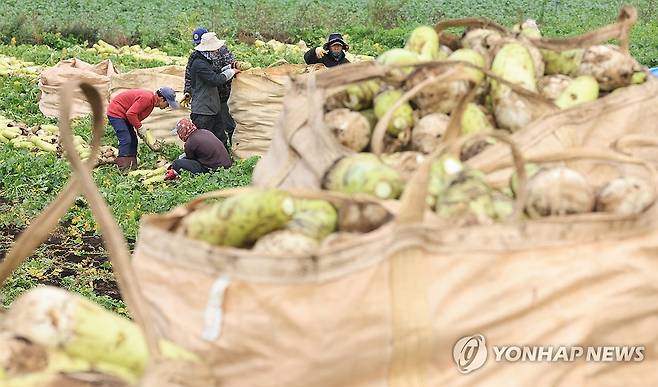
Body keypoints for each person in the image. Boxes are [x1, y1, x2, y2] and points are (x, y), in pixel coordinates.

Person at [182, 29, 238, 150]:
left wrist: (230, 67)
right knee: (203, 139)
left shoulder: (208, 59)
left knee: (220, 137)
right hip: (203, 109)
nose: (217, 50)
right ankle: (204, 163)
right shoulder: (199, 63)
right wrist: (231, 72)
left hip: (215, 104)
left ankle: (224, 162)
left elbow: (216, 72)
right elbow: (214, 79)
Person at [106, 87, 178, 170]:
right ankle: (123, 167)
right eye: (168, 103)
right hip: (117, 113)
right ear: (161, 99)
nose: (167, 106)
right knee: (126, 139)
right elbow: (131, 114)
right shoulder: (147, 98)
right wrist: (140, 127)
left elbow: (134, 116)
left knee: (133, 140)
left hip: (125, 115)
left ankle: (132, 166)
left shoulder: (151, 104)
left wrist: (142, 133)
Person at [164, 118, 232, 180]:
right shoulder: (204, 131)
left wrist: (175, 165)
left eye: (179, 133)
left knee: (177, 163)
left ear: (182, 132)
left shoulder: (190, 142)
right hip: (227, 164)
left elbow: (190, 159)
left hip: (215, 169)